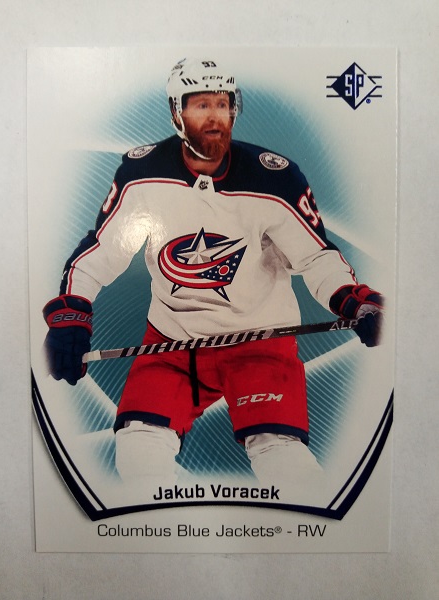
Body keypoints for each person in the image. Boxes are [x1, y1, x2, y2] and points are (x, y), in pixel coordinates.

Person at [42, 57, 384, 491]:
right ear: (176, 112)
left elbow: (316, 258)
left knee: (282, 458)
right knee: (138, 450)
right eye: (201, 105)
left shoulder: (274, 177)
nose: (215, 118)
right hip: (171, 341)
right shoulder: (141, 173)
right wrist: (71, 314)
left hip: (260, 340)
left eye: (222, 104)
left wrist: (354, 300)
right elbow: (102, 250)